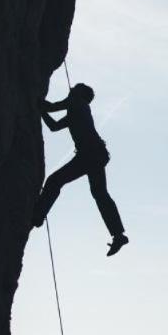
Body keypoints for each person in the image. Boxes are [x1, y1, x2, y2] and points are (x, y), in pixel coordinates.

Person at [33, 83, 129, 256]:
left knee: (55, 181)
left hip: (89, 155)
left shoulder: (77, 102)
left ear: (79, 94)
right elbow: (54, 126)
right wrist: (41, 111)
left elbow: (52, 107)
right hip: (95, 154)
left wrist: (37, 101)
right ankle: (118, 234)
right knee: (100, 193)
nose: (70, 90)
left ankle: (38, 215)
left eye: (74, 89)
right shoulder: (78, 111)